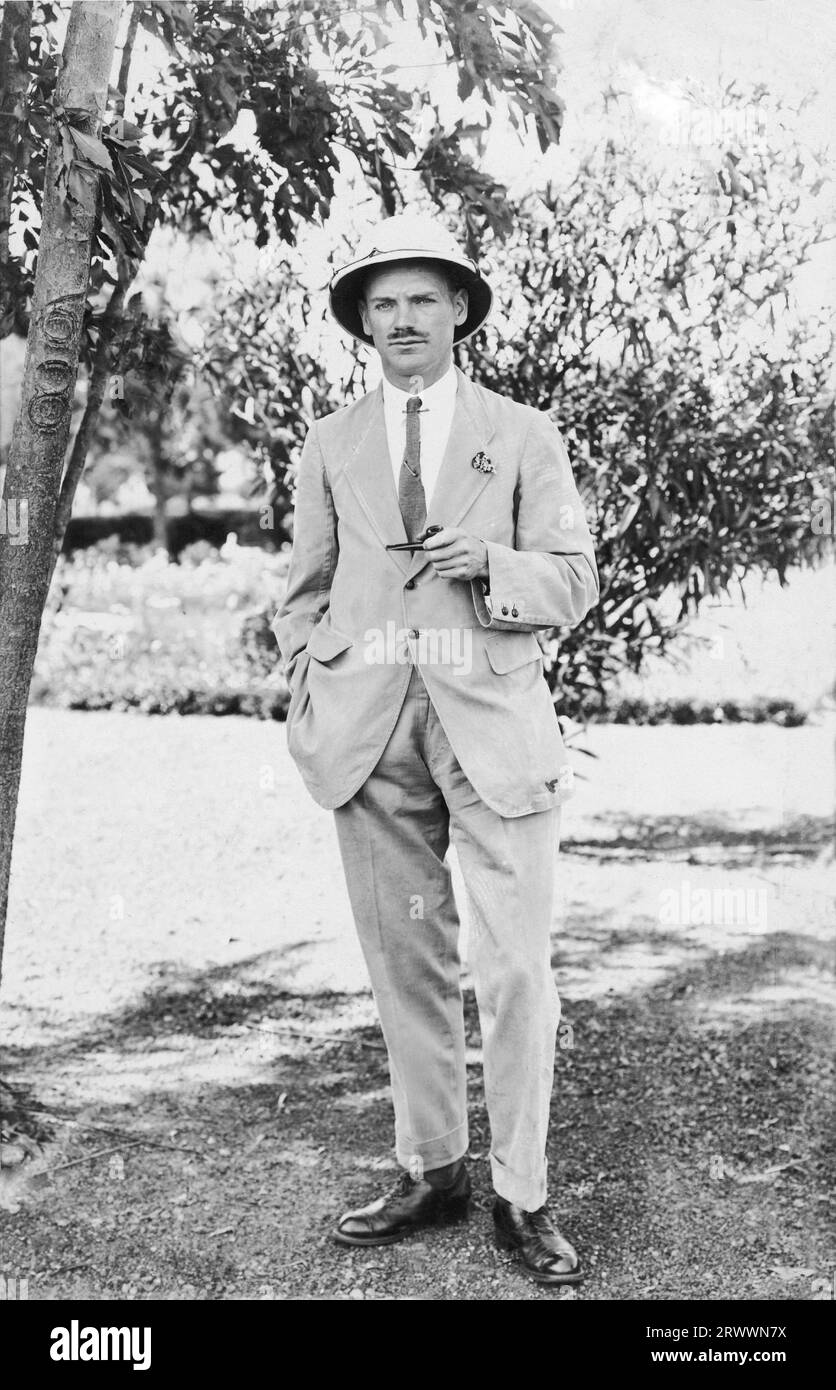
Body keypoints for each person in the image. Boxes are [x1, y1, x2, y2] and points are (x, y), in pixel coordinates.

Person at [273, 213, 599, 1286]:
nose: (401, 319)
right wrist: (314, 678)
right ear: (361, 322)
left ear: (459, 309)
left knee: (512, 969)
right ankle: (431, 1168)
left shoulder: (522, 434)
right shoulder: (332, 441)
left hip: (491, 728)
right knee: (402, 961)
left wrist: (495, 560)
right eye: (381, 303)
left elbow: (571, 580)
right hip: (371, 734)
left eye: (421, 298)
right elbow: (304, 588)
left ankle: (521, 1193)